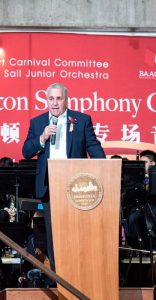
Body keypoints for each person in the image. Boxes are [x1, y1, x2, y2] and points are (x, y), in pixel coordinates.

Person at [22, 82, 106, 270]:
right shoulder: (37, 123)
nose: (54, 103)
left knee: (76, 232)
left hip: (77, 186)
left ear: (66, 100)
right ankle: (57, 277)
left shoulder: (82, 120)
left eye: (59, 98)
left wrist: (104, 167)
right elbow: (26, 151)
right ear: (46, 100)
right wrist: (41, 138)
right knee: (54, 234)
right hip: (50, 185)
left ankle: (78, 272)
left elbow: (93, 147)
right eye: (51, 98)